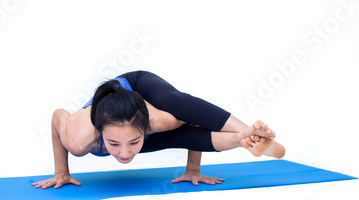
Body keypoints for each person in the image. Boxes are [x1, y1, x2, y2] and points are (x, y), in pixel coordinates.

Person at [32, 70, 285, 189]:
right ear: (100, 133)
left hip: (138, 85)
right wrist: (61, 171)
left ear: (144, 129)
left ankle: (249, 133)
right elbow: (58, 117)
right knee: (178, 132)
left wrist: (193, 169)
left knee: (179, 107)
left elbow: (194, 118)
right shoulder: (78, 139)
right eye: (114, 144)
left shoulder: (159, 120)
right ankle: (244, 137)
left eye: (133, 143)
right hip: (119, 120)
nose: (124, 154)